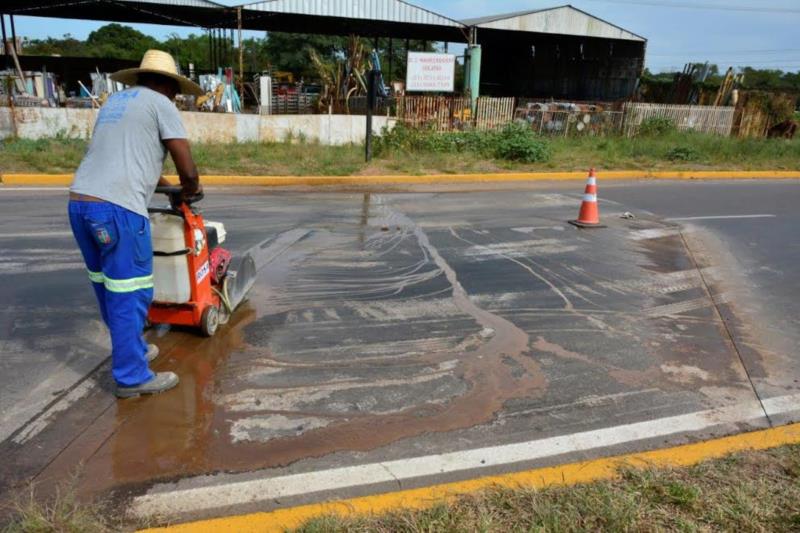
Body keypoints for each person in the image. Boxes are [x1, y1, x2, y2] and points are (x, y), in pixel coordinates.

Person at [68, 49, 203, 398]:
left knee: (107, 287)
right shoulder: (162, 105)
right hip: (118, 211)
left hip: (81, 204)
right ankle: (132, 377)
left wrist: (168, 189)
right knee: (131, 292)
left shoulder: (114, 104)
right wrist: (190, 189)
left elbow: (132, 159)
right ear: (169, 86)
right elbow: (185, 163)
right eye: (175, 90)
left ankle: (134, 351)